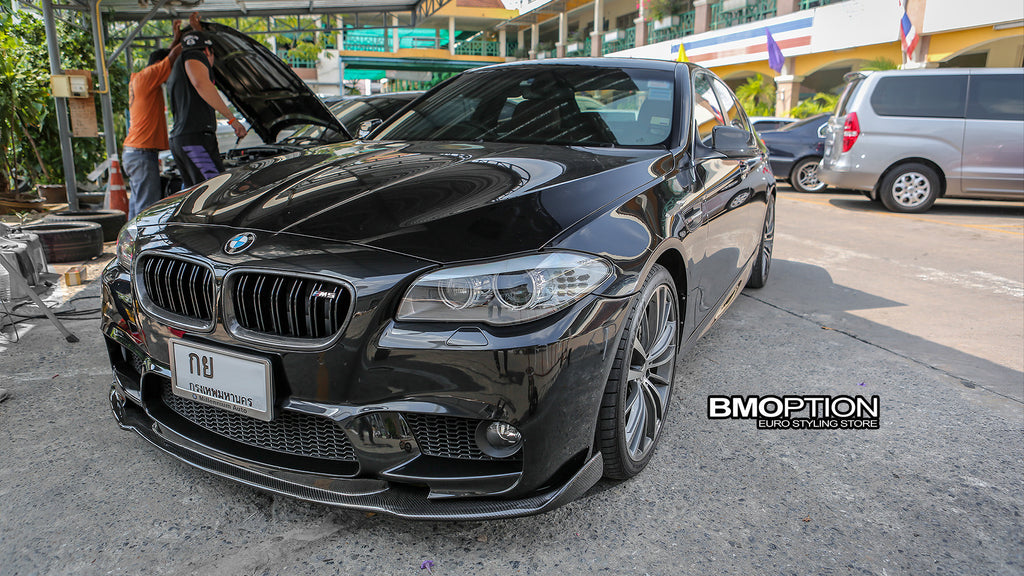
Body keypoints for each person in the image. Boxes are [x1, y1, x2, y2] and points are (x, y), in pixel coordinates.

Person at [168, 13, 246, 189]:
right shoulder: (194, 56)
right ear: (207, 52)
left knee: (195, 195)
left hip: (183, 139)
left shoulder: (177, 65)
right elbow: (201, 84)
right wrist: (232, 120)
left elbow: (182, 49)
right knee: (212, 192)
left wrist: (196, 32)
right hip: (195, 140)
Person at [122, 21, 182, 219]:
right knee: (146, 208)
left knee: (138, 204)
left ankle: (126, 247)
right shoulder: (147, 77)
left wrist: (176, 37)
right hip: (141, 154)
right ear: (158, 67)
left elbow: (168, 57)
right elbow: (171, 58)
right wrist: (194, 38)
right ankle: (139, 247)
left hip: (136, 153)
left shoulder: (141, 79)